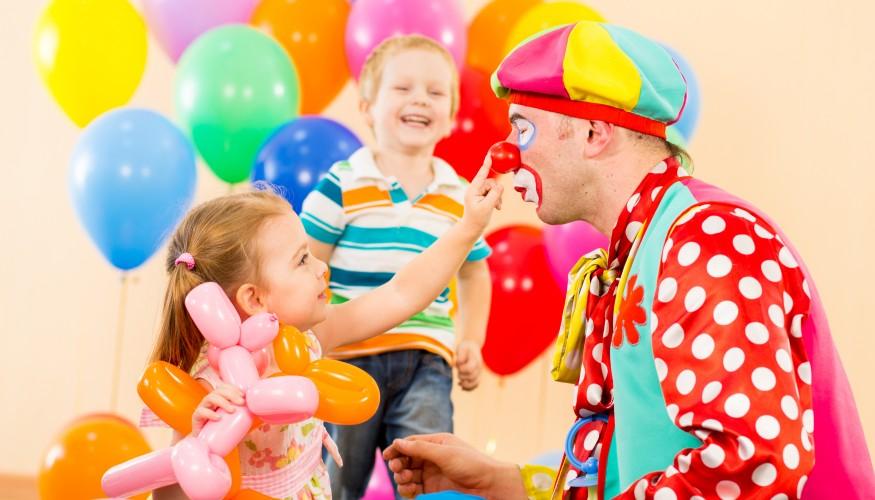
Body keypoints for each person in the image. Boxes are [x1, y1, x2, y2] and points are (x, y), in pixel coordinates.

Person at [384, 21, 874, 499]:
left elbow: (748, 466)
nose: (506, 155)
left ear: (595, 134)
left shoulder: (708, 237)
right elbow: (637, 460)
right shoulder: (635, 251)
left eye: (523, 130)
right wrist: (505, 482)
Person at [145, 169, 501, 499]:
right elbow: (173, 491)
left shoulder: (308, 341)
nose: (322, 267)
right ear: (254, 298)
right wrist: (197, 437)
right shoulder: (211, 386)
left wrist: (469, 227)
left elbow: (401, 294)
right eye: (302, 260)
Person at [300, 35, 493, 499]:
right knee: (335, 479)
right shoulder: (343, 183)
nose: (420, 99)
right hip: (349, 358)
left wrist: (471, 340)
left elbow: (474, 271)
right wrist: (305, 342)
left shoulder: (458, 195)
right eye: (403, 88)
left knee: (429, 471)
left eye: (434, 92)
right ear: (367, 107)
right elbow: (307, 265)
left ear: (449, 118)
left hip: (426, 360)